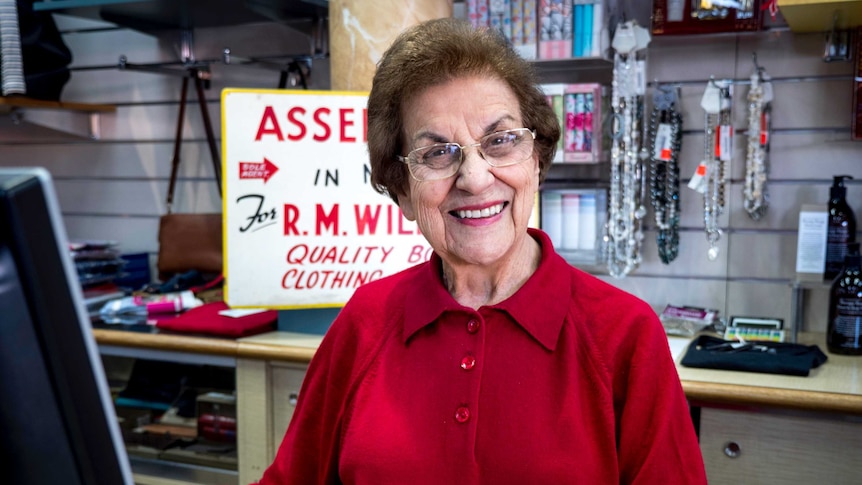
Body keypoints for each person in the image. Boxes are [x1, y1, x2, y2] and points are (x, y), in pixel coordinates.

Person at [255, 17, 707, 485]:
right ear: (404, 192)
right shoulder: (366, 323)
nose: (474, 178)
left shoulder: (624, 337)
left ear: (536, 160)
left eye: (501, 140)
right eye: (436, 153)